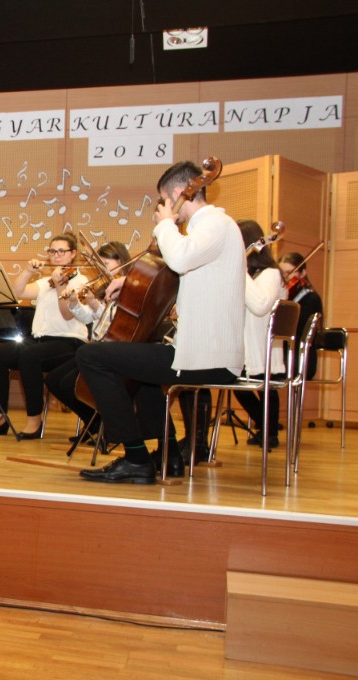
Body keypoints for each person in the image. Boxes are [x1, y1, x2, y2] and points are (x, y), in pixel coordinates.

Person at [76, 160, 246, 484]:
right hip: (201, 353)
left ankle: (136, 458)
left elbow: (179, 259)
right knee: (142, 364)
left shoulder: (215, 224)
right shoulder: (210, 230)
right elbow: (177, 280)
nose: (163, 208)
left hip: (207, 357)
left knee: (91, 356)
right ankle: (168, 455)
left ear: (179, 193)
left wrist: (165, 224)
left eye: (164, 200)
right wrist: (128, 283)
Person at [0, 233, 89, 439]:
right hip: (41, 340)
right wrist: (27, 271)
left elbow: (67, 315)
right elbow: (17, 292)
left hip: (69, 341)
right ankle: (0, 416)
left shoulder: (80, 281)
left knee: (29, 355)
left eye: (62, 251)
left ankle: (34, 419)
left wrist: (61, 284)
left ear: (73, 254)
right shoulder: (45, 282)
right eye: (52, 251)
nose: (56, 255)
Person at [44, 241, 130, 446]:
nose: (102, 269)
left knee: (69, 382)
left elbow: (117, 321)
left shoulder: (128, 288)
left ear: (120, 261)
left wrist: (93, 303)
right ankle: (93, 421)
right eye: (100, 265)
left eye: (106, 264)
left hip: (113, 350)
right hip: (96, 348)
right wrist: (74, 302)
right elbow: (88, 318)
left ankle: (102, 424)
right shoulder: (105, 286)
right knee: (55, 380)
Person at [233, 220, 287, 449]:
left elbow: (260, 305)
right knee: (237, 386)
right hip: (244, 349)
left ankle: (269, 431)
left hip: (264, 350)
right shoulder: (248, 273)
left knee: (266, 389)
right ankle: (266, 426)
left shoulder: (271, 274)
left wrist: (239, 270)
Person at [279, 251, 323, 380]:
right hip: (283, 356)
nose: (285, 278)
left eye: (289, 272)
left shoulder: (311, 298)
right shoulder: (284, 296)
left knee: (265, 371)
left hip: (300, 358)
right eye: (281, 273)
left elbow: (295, 328)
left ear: (302, 273)